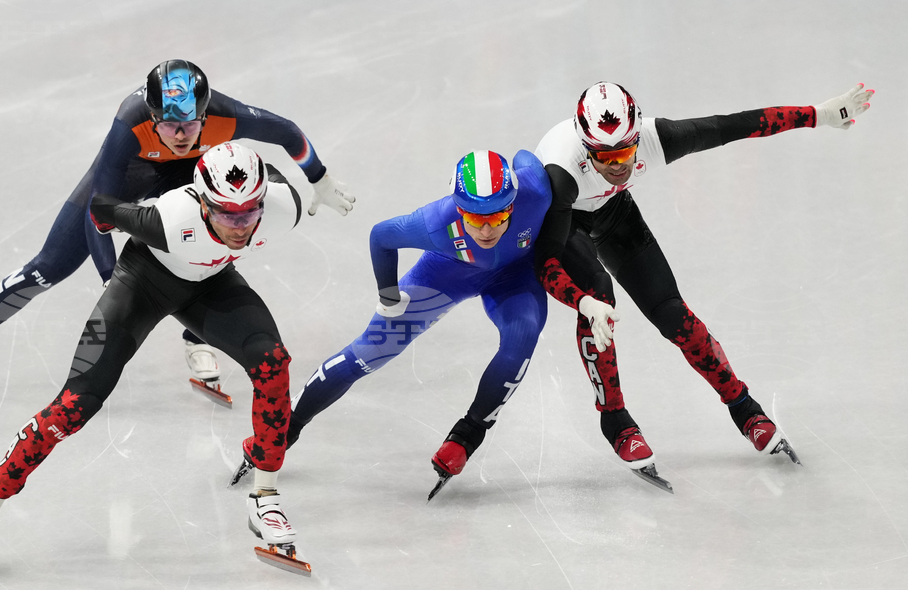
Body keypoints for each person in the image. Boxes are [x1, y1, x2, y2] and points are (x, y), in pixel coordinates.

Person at [0, 141, 314, 583]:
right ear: (201, 201)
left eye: (249, 214)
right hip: (141, 283)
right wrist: (106, 273)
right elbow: (99, 210)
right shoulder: (170, 220)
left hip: (211, 284)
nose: (240, 227)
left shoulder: (282, 204)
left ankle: (264, 497)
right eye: (227, 215)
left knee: (273, 363)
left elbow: (279, 164)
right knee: (74, 405)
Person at [0, 59, 354, 404]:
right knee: (48, 268)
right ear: (151, 115)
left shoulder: (226, 116)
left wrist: (320, 179)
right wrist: (114, 281)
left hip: (187, 177)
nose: (180, 134)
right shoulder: (130, 121)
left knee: (214, 238)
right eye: (167, 124)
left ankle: (194, 335)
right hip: (131, 174)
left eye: (189, 124)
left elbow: (288, 133)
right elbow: (98, 211)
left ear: (205, 114)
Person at [534, 81, 874, 490]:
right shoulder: (561, 174)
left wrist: (817, 115)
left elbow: (734, 126)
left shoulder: (656, 139)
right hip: (565, 220)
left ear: (637, 135)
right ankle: (617, 422)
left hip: (613, 213)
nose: (618, 165)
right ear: (586, 150)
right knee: (599, 295)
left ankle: (746, 410)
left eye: (625, 152)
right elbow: (545, 261)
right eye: (604, 157)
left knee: (674, 315)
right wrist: (583, 302)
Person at [231, 149, 619, 499]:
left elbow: (527, 159)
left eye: (499, 217)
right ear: (457, 208)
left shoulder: (534, 191)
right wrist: (387, 297)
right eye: (474, 219)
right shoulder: (435, 221)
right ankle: (285, 429)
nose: (486, 230)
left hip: (516, 276)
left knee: (523, 335)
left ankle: (467, 436)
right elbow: (381, 237)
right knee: (371, 350)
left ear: (514, 203)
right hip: (447, 274)